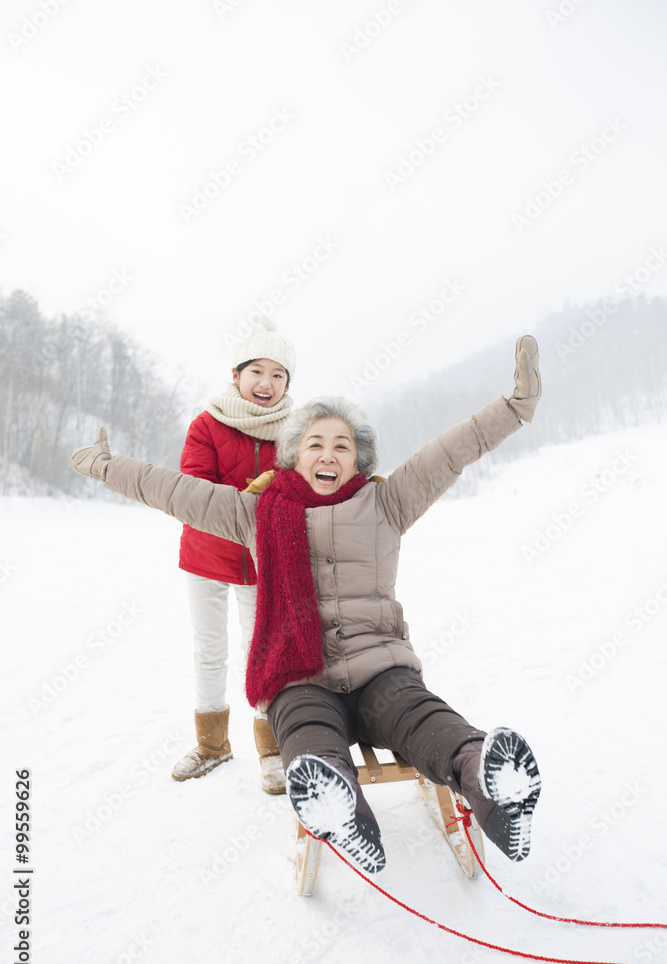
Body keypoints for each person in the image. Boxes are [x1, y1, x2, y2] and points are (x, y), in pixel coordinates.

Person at [69, 336, 542, 874]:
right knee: (306, 729)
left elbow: (453, 449)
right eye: (315, 443)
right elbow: (177, 491)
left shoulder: (387, 501)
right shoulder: (255, 513)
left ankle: (489, 778)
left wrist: (514, 408)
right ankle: (338, 804)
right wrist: (107, 468)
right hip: (300, 673)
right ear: (294, 455)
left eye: (341, 446)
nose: (328, 454)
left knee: (419, 714)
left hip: (380, 667)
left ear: (357, 458)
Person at [173, 318, 296, 792]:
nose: (266, 383)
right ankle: (212, 745)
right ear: (236, 375)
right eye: (257, 371)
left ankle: (271, 748)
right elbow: (194, 489)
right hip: (206, 553)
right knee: (209, 648)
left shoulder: (294, 431)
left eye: (278, 375)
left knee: (261, 651)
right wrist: (252, 495)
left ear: (288, 383)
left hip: (261, 560)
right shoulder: (206, 424)